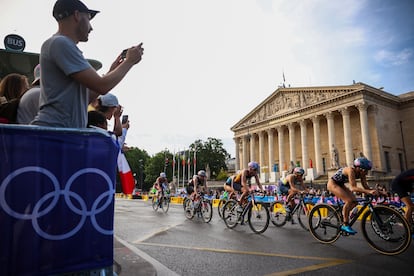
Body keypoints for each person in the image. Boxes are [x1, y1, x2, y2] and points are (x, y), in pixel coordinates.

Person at [31, 0, 144, 128]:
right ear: (77, 15)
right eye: (89, 19)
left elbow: (85, 98)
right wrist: (129, 61)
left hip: (60, 131)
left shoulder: (60, 44)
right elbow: (102, 86)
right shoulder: (60, 43)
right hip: (56, 131)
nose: (91, 27)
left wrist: (111, 71)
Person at [327, 157, 377, 234]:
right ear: (359, 168)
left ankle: (346, 214)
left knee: (355, 202)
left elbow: (366, 186)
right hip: (332, 184)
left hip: (341, 184)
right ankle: (345, 224)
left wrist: (377, 191)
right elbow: (353, 188)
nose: (366, 173)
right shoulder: (350, 171)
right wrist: (368, 192)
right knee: (348, 201)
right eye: (365, 170)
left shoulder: (361, 173)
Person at [391, 169, 414, 235]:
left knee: (412, 206)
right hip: (398, 185)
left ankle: (410, 222)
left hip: (406, 185)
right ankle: (405, 224)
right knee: (410, 206)